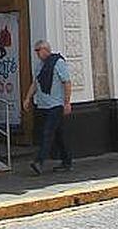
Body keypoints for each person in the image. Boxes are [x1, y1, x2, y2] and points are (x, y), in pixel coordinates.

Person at [23, 39, 72, 175]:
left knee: (47, 133)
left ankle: (39, 162)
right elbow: (35, 83)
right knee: (59, 135)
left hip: (55, 106)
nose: (37, 54)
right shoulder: (40, 66)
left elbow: (67, 82)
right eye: (36, 51)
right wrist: (28, 98)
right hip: (43, 106)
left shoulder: (58, 63)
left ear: (45, 49)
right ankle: (67, 161)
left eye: (38, 50)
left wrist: (67, 102)